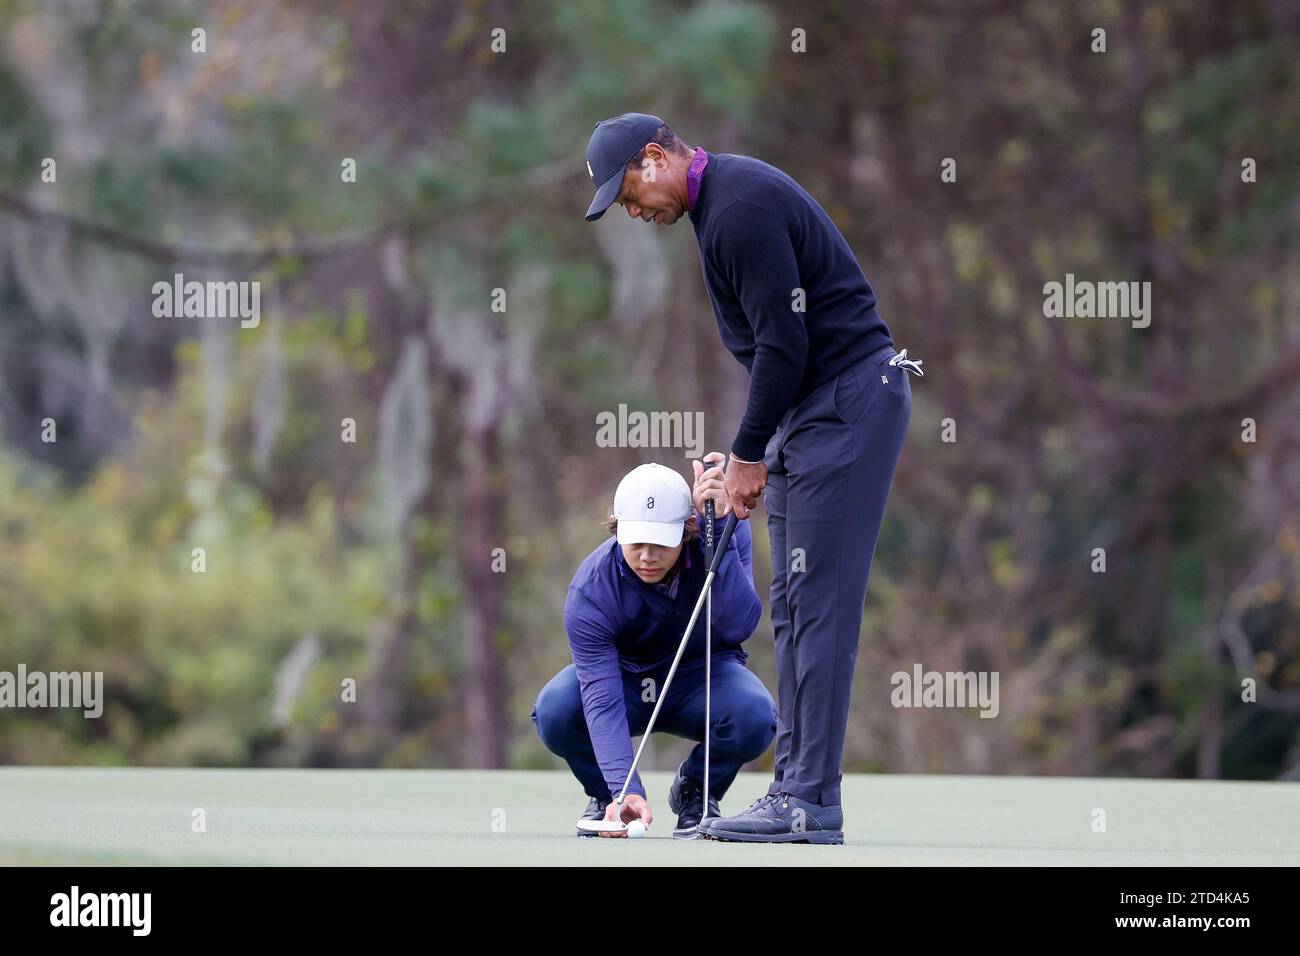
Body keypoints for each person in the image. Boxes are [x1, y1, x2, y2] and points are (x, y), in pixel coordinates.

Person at [582, 113, 922, 843]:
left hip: (850, 404)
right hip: (816, 413)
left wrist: (744, 453)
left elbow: (783, 344)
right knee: (797, 604)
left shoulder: (737, 209)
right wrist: (753, 449)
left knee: (821, 605)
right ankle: (794, 793)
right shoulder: (719, 210)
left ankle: (810, 804)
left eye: (629, 192)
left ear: (655, 157)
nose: (632, 210)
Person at [531, 458, 777, 838]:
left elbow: (738, 624)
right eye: (636, 541)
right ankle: (607, 798)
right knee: (555, 710)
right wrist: (624, 787)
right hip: (623, 682)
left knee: (757, 716)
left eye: (662, 542)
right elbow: (601, 697)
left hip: (700, 677)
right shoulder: (590, 591)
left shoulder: (721, 529)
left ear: (687, 529)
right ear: (616, 528)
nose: (647, 555)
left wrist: (720, 535)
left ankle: (696, 789)